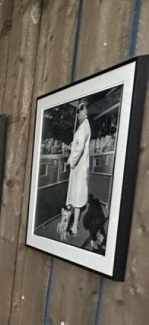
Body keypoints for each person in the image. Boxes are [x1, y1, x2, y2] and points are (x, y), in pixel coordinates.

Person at [66, 101, 91, 237]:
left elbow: (80, 147)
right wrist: (73, 144)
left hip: (78, 166)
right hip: (80, 166)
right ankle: (71, 222)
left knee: (76, 197)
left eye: (82, 108)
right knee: (76, 196)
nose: (79, 111)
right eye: (78, 109)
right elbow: (79, 143)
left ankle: (74, 227)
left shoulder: (83, 127)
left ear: (86, 110)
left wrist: (72, 161)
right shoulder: (84, 126)